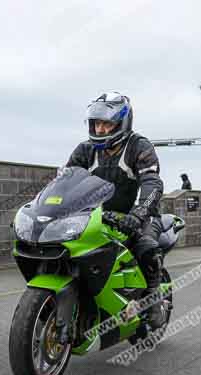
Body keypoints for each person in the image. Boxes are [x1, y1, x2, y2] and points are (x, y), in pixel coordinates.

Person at [66, 91, 166, 327]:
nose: (100, 129)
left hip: (139, 214)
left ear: (122, 123)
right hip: (97, 217)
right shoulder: (85, 150)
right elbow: (64, 181)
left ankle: (154, 301)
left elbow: (152, 183)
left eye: (106, 124)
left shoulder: (139, 146)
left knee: (146, 246)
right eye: (96, 123)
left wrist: (138, 214)